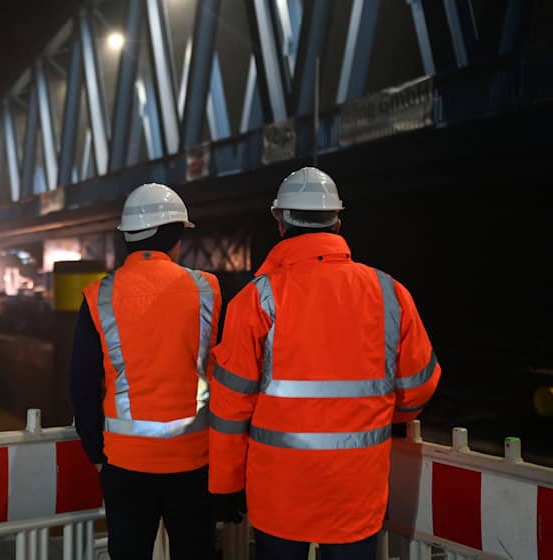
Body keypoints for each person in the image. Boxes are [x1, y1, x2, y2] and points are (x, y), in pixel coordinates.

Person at [208, 167, 441, 559]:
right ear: (338, 222)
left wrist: (225, 485)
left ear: (280, 222)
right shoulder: (389, 293)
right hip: (356, 488)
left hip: (280, 493)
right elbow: (420, 386)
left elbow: (230, 407)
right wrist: (382, 414)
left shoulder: (255, 300)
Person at [69, 183, 222, 559]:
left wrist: (97, 452)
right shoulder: (209, 290)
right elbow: (228, 373)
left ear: (128, 238)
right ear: (173, 234)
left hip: (125, 463)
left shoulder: (98, 295)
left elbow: (83, 384)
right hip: (194, 461)